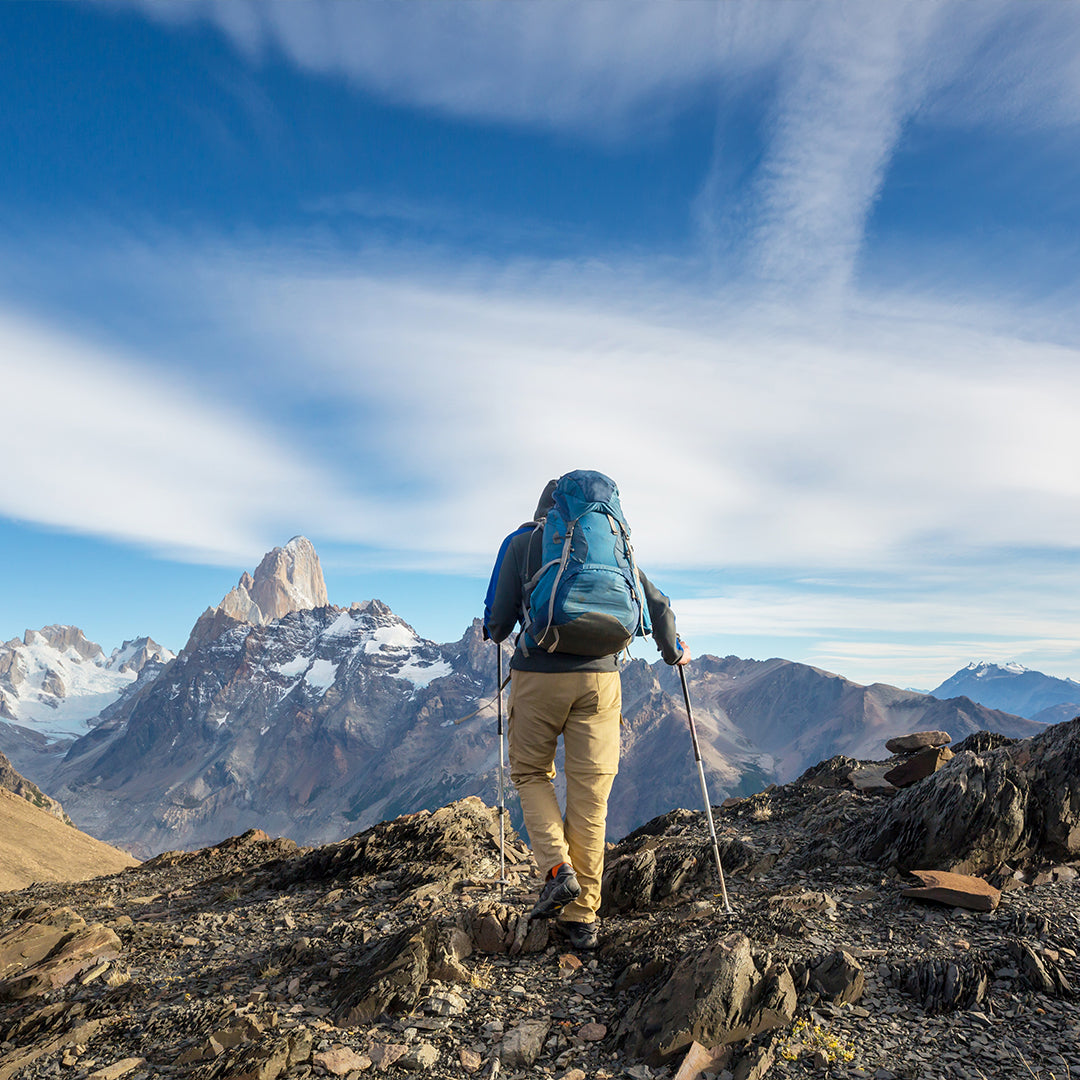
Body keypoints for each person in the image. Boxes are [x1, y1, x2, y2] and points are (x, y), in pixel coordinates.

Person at [484, 471, 690, 950]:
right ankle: (582, 920)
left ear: (548, 511)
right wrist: (672, 649)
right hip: (601, 680)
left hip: (539, 676)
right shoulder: (612, 543)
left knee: (532, 773)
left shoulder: (523, 543)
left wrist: (502, 627)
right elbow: (655, 606)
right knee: (591, 794)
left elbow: (497, 622)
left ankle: (557, 869)